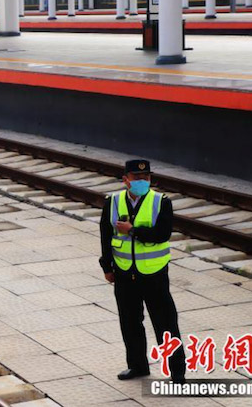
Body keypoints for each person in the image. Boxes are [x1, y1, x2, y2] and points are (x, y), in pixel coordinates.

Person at [99, 159, 186, 383]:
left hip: (154, 272)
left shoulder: (161, 202)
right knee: (129, 321)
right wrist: (107, 266)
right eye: (137, 178)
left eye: (146, 178)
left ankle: (177, 371)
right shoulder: (113, 201)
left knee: (165, 322)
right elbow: (106, 236)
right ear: (125, 180)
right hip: (124, 272)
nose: (142, 181)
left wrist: (133, 231)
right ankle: (137, 366)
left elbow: (162, 234)